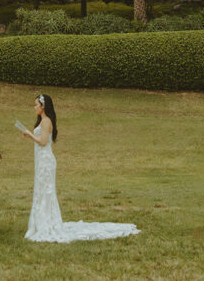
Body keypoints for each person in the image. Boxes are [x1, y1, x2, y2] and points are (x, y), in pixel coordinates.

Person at [20, 93, 140, 243]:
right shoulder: (43, 121)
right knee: (42, 190)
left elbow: (43, 142)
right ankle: (43, 222)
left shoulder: (45, 121)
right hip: (42, 160)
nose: (34, 107)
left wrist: (30, 135)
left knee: (46, 191)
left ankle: (46, 223)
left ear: (43, 106)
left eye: (36, 105)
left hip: (45, 161)